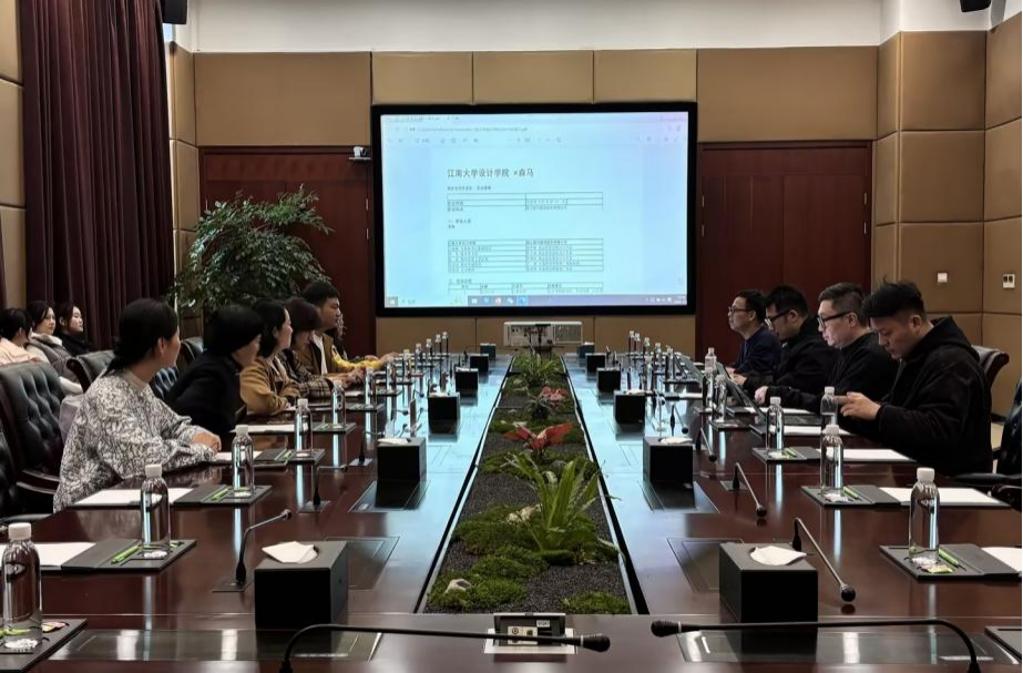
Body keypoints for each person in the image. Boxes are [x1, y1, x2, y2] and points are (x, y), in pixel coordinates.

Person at [53, 299, 219, 511]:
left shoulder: (137, 384)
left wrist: (197, 435)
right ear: (161, 345)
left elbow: (172, 426)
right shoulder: (108, 395)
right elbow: (141, 459)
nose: (180, 342)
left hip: (125, 500)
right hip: (85, 511)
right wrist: (201, 450)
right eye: (177, 335)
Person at [839, 281, 992, 476]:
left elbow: (939, 431)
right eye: (877, 334)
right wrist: (857, 412)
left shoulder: (952, 363)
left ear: (915, 323)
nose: (881, 342)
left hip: (947, 480)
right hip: (913, 469)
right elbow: (901, 409)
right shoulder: (915, 355)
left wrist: (879, 412)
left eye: (886, 333)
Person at [756, 282, 898, 409]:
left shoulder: (870, 355)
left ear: (851, 320)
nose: (820, 329)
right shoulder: (846, 350)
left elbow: (833, 405)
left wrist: (781, 395)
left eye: (824, 321)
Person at [165, 305, 263, 441]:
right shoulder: (212, 375)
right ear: (239, 344)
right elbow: (180, 418)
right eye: (257, 341)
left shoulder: (223, 366)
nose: (258, 348)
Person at [737, 285, 835, 396]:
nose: (770, 328)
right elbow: (776, 375)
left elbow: (789, 385)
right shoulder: (793, 341)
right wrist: (746, 378)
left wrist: (747, 382)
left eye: (771, 320)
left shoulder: (816, 347)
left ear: (792, 316)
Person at [296, 281, 388, 377]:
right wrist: (378, 363)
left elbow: (343, 368)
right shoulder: (302, 342)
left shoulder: (326, 341)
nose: (339, 313)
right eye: (334, 307)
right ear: (315, 310)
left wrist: (376, 363)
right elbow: (308, 380)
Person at [240, 301, 303, 417]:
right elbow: (265, 403)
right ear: (275, 331)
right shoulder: (252, 364)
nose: (292, 330)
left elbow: (293, 386)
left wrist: (281, 399)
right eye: (289, 324)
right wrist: (286, 400)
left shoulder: (274, 360)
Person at [283, 297, 355, 392]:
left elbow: (308, 378)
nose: (339, 314)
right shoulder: (280, 357)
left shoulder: (290, 354)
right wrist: (333, 382)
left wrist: (342, 378)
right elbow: (295, 389)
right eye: (308, 331)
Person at [25, 300, 81, 390]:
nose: (52, 322)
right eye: (47, 318)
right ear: (34, 322)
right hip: (73, 392)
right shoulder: (33, 347)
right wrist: (84, 388)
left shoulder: (55, 342)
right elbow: (53, 379)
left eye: (53, 318)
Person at [727, 289, 782, 378]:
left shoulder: (766, 340)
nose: (729, 314)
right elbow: (736, 367)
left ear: (751, 315)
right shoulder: (747, 341)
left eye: (734, 310)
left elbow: (743, 373)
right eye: (730, 309)